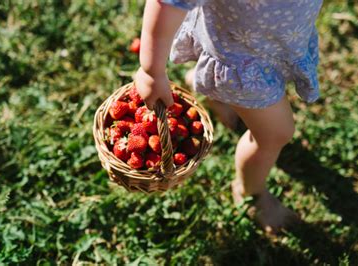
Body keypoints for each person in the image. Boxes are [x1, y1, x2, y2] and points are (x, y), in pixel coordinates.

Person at [134, 0, 323, 233]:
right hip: (242, 64)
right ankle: (250, 192)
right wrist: (151, 71)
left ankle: (212, 90)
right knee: (275, 135)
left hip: (275, 41)